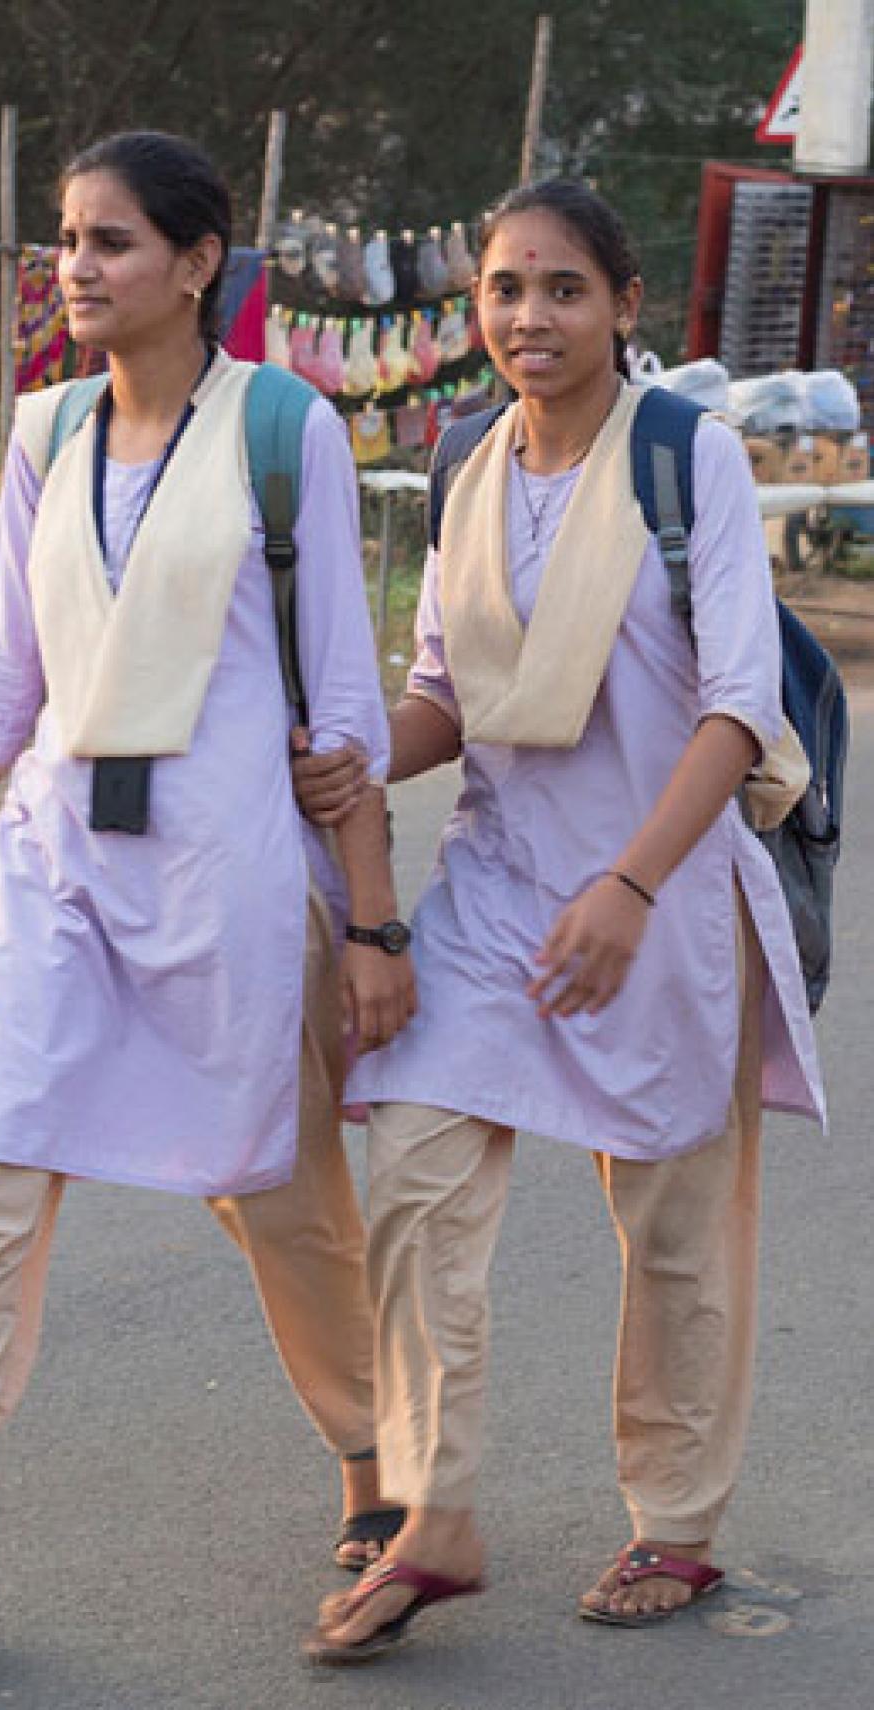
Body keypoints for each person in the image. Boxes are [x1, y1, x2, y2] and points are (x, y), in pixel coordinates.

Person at [0, 130, 415, 1688]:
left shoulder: (285, 430)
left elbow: (340, 700)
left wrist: (373, 924)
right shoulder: (47, 429)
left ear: (199, 264)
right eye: (66, 240)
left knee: (271, 1192)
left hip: (229, 879)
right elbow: (1, 673)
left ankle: (374, 1455)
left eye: (113, 242)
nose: (76, 267)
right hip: (52, 878)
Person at [295, 179, 826, 1664]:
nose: (530, 317)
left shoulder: (689, 458)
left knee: (673, 1230)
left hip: (659, 896)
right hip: (496, 890)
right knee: (410, 1160)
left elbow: (739, 704)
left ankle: (675, 1521)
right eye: (505, 289)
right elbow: (443, 696)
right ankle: (438, 1509)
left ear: (626, 306)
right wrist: (350, 752)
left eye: (564, 289)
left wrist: (634, 887)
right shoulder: (466, 464)